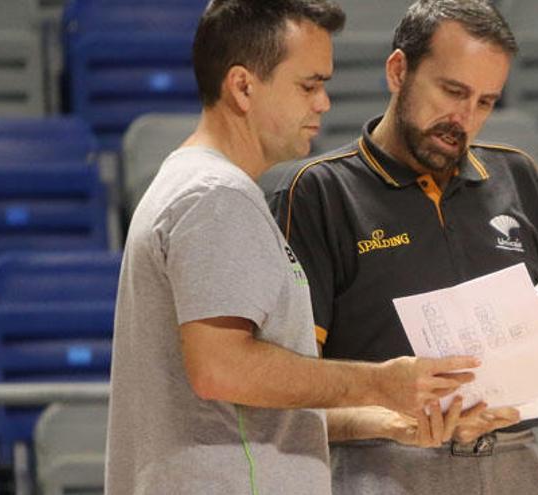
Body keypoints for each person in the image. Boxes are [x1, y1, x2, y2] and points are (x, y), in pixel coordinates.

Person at [104, 1, 480, 494]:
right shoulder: (216, 196)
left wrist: (382, 418)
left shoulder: (197, 185)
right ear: (243, 87)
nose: (323, 103)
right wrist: (381, 382)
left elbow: (251, 408)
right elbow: (223, 370)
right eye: (309, 84)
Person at [269, 1, 538, 493]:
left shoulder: (517, 175)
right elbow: (283, 396)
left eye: (485, 102)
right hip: (378, 468)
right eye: (452, 91)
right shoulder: (318, 193)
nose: (463, 118)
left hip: (515, 464)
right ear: (398, 70)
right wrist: (392, 421)